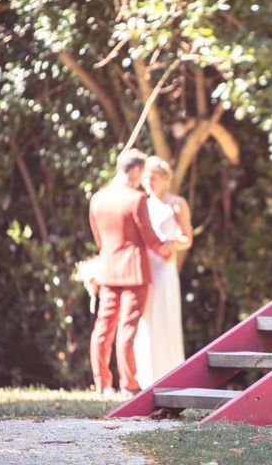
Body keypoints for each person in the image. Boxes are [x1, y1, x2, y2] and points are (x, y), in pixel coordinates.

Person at [88, 149, 172, 397]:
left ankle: (102, 383)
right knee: (127, 328)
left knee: (103, 327)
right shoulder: (136, 199)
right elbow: (148, 236)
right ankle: (129, 384)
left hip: (108, 269)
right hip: (134, 270)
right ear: (135, 171)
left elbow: (98, 237)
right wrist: (165, 250)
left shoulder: (98, 198)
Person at [134, 156, 192, 388]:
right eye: (146, 178)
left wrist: (172, 244)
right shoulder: (141, 203)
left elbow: (187, 238)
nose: (149, 182)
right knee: (145, 319)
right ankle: (146, 376)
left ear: (165, 179)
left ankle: (171, 374)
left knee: (165, 315)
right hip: (146, 265)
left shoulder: (177, 203)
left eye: (153, 177)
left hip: (165, 267)